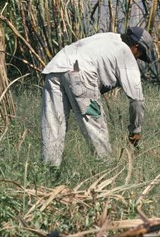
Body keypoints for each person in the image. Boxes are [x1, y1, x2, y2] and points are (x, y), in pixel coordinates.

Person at [40, 27, 153, 167]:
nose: (137, 58)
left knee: (53, 124)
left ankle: (49, 171)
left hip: (55, 68)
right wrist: (135, 130)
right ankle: (106, 172)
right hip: (80, 74)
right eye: (139, 55)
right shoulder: (126, 53)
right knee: (96, 125)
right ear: (136, 47)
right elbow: (137, 100)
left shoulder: (108, 37)